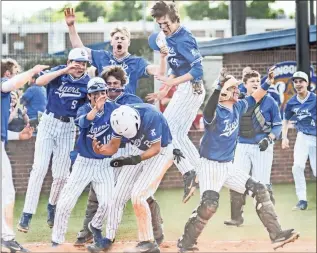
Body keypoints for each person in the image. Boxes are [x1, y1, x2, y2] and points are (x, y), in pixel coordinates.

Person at [177, 67, 299, 252]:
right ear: (225, 93)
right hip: (210, 165)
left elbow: (256, 96)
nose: (238, 90)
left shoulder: (238, 106)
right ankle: (186, 243)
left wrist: (268, 81)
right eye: (234, 88)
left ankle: (277, 235)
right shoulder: (215, 112)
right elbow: (208, 110)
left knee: (259, 189)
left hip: (227, 166)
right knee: (210, 204)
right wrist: (218, 86)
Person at [76, 66, 164, 250]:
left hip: (130, 149)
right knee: (100, 194)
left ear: (123, 85)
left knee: (143, 195)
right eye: (108, 84)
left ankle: (156, 233)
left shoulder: (130, 101)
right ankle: (89, 231)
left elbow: (143, 127)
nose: (111, 87)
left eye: (116, 84)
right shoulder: (99, 104)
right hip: (111, 150)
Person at [17, 48, 90, 233]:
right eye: (76, 62)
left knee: (61, 175)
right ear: (68, 61)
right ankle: (27, 214)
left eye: (83, 63)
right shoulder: (59, 72)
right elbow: (40, 81)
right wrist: (65, 70)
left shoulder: (87, 82)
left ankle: (52, 206)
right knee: (39, 168)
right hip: (49, 123)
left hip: (68, 127)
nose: (80, 66)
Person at [89, 103, 175, 253]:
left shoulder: (151, 116)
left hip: (161, 153)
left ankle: (148, 242)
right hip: (139, 150)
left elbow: (155, 149)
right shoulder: (119, 118)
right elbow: (113, 146)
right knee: (116, 197)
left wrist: (131, 159)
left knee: (138, 195)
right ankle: (108, 239)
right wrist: (101, 151)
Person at [146, 1, 205, 203]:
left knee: (167, 131)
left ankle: (189, 172)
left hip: (192, 87)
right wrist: (164, 90)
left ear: (175, 19)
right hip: (182, 87)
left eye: (166, 23)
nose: (163, 27)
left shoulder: (184, 39)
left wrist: (172, 83)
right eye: (160, 24)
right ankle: (199, 173)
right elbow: (175, 67)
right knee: (177, 134)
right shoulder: (166, 37)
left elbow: (198, 71)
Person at [51, 77, 117, 246]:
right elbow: (83, 122)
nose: (100, 96)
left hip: (104, 165)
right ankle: (57, 241)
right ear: (89, 96)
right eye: (96, 93)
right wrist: (96, 108)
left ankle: (94, 227)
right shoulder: (84, 109)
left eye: (103, 92)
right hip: (84, 163)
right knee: (65, 203)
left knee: (109, 204)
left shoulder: (114, 109)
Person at [224, 68, 282, 227]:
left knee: (263, 183)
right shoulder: (240, 101)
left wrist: (269, 139)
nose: (256, 83)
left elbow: (277, 126)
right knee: (237, 180)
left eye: (258, 81)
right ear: (245, 84)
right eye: (252, 81)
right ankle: (236, 218)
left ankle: (271, 221)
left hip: (262, 146)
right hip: (242, 145)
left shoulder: (270, 101)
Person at [1, 58, 47, 253]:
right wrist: (31, 72)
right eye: (15, 70)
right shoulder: (4, 85)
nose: (17, 73)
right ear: (7, 73)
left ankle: (6, 238)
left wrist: (18, 136)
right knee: (7, 192)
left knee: (7, 192)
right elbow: (9, 85)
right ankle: (7, 238)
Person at [64, 7, 164, 95]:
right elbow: (79, 49)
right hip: (104, 105)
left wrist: (164, 57)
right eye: (116, 38)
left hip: (126, 106)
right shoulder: (102, 56)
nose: (119, 40)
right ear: (111, 42)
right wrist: (71, 26)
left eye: (122, 38)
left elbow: (158, 70)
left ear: (128, 43)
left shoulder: (137, 62)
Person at [281, 71, 316, 211]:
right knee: (297, 167)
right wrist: (284, 137)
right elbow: (286, 120)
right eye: (295, 82)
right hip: (302, 136)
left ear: (307, 83)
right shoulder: (291, 102)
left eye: (301, 81)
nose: (298, 84)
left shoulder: (315, 99)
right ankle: (302, 200)